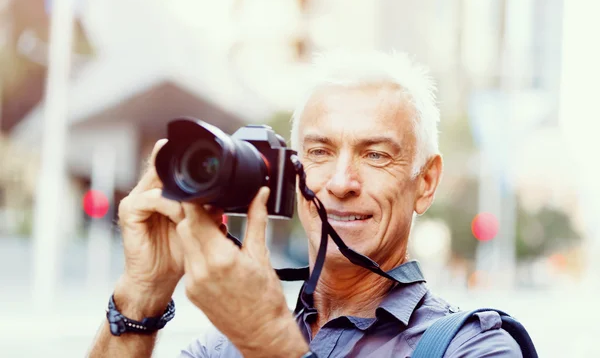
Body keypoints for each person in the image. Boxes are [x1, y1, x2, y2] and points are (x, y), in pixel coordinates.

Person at [88, 51, 522, 357]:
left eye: (375, 154)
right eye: (318, 152)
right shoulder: (224, 347)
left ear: (425, 183)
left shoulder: (475, 347)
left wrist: (267, 339)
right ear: (291, 174)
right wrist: (141, 295)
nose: (340, 182)